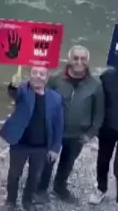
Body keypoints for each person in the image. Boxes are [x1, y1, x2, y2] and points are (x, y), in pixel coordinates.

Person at [37, 45, 104, 203]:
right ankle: (41, 189)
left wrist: (91, 133)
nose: (79, 62)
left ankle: (60, 187)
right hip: (54, 131)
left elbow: (99, 113)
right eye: (75, 58)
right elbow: (41, 102)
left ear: (88, 61)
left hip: (78, 134)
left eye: (83, 59)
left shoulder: (95, 85)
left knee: (68, 162)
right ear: (69, 60)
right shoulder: (55, 80)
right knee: (47, 161)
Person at [0, 66, 63, 210]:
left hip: (41, 146)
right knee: (14, 174)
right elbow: (13, 93)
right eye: (34, 73)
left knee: (35, 176)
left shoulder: (55, 98)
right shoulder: (23, 90)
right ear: (30, 75)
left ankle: (27, 201)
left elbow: (58, 124)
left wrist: (55, 147)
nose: (38, 76)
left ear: (47, 78)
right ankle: (10, 201)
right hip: (19, 144)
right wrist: (13, 84)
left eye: (42, 74)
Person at [91, 65, 118, 204]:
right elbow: (97, 100)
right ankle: (101, 188)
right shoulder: (107, 76)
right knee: (103, 160)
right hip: (108, 126)